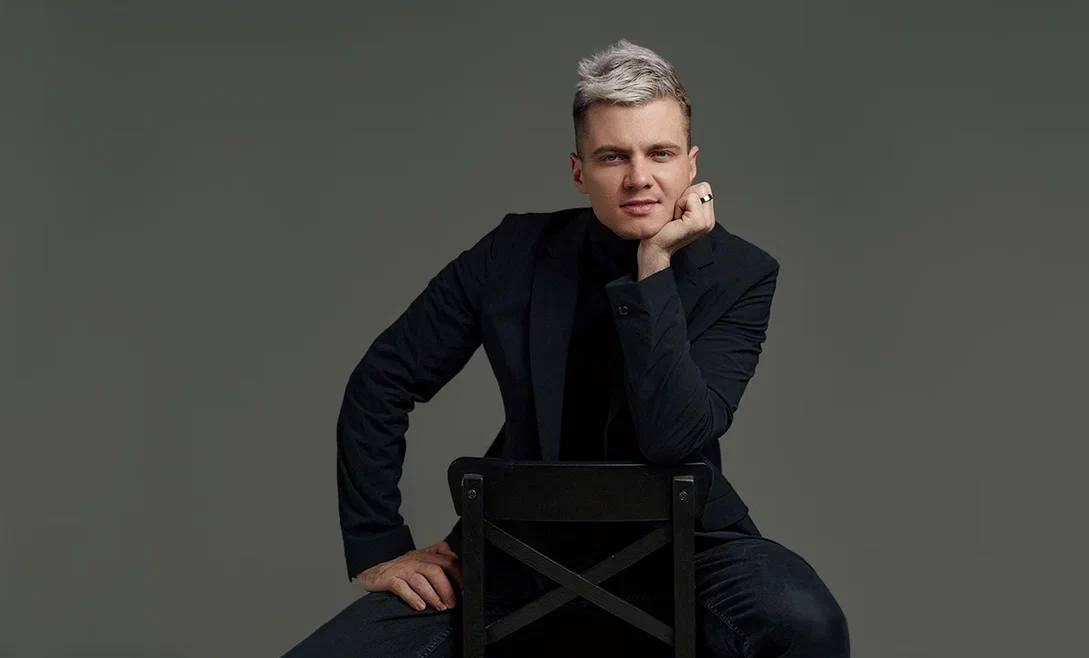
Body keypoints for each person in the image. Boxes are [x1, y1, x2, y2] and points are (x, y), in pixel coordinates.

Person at [283, 39, 849, 658]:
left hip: (689, 548)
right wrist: (379, 546)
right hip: (515, 547)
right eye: (613, 157)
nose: (639, 177)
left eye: (660, 153)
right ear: (580, 171)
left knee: (805, 624)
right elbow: (382, 381)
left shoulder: (742, 274)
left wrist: (653, 267)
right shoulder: (511, 253)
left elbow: (674, 436)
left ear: (691, 166)